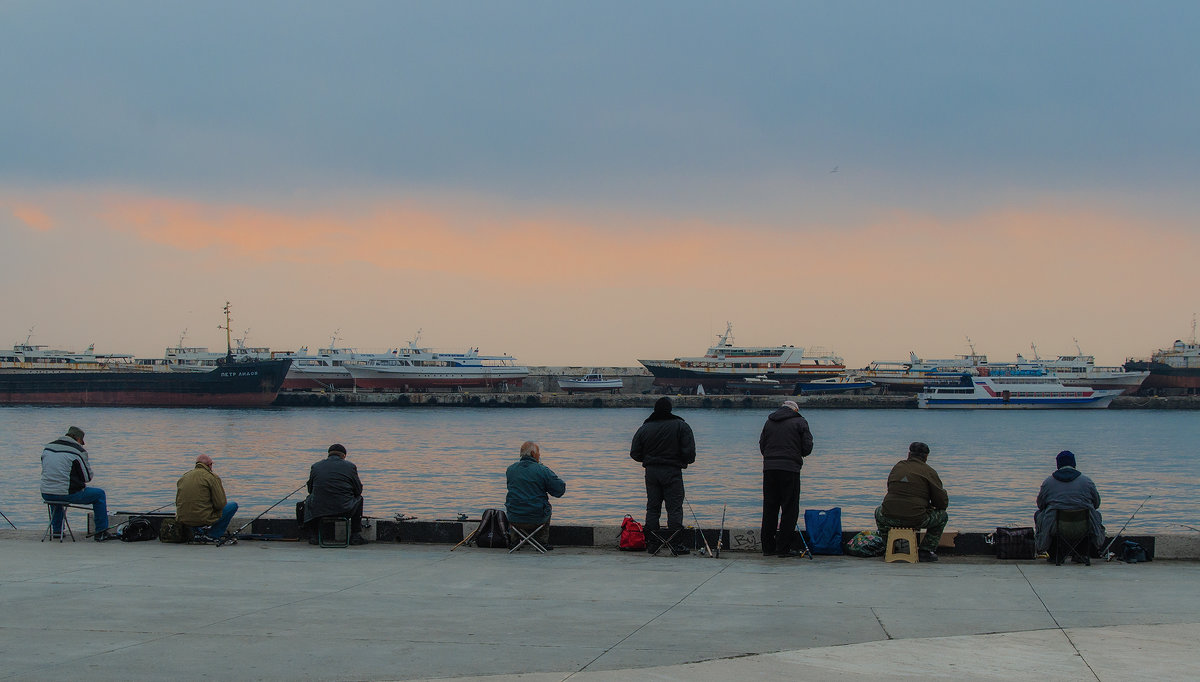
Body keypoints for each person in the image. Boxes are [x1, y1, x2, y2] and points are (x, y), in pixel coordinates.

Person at [630, 397, 696, 554]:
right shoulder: (681, 426)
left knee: (652, 507)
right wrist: (681, 460)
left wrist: (648, 460)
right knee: (674, 508)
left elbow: (634, 453)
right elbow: (690, 454)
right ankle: (676, 544)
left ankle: (652, 543)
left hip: (651, 473)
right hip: (672, 471)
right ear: (670, 409)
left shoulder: (644, 428)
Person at [874, 441, 948, 562]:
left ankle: (890, 547)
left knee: (878, 512)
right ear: (926, 456)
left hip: (889, 516)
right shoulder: (929, 472)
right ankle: (925, 551)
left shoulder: (898, 466)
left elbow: (891, 488)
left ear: (909, 454)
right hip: (916, 519)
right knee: (943, 516)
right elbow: (942, 503)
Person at [759, 399, 814, 557]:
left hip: (769, 469)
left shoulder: (769, 422)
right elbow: (807, 447)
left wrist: (771, 458)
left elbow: (762, 445)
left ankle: (768, 548)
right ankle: (783, 549)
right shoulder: (800, 422)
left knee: (770, 508)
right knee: (789, 509)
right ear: (795, 410)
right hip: (790, 469)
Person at [40, 426, 114, 541]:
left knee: (56, 493)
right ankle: (101, 532)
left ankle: (57, 531)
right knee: (99, 494)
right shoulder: (78, 451)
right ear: (78, 439)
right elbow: (87, 477)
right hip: (66, 494)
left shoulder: (48, 447)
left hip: (46, 493)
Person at [1034, 450, 1105, 556]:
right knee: (1095, 514)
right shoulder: (1087, 481)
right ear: (1074, 464)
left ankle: (1055, 554)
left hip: (1055, 527)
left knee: (1039, 514)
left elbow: (1040, 505)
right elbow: (1097, 504)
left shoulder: (1048, 482)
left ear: (1058, 465)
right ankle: (1081, 554)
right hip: (1084, 526)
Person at [300, 443, 367, 545]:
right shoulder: (351, 466)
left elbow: (310, 490)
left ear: (328, 454)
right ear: (343, 456)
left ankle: (314, 536)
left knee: (309, 499)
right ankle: (355, 535)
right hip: (344, 510)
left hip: (319, 510)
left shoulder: (316, 466)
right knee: (359, 498)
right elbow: (358, 491)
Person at [505, 441, 566, 550]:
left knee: (515, 502)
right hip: (536, 519)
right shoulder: (542, 470)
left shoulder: (510, 470)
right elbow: (559, 490)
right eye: (539, 453)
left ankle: (514, 542)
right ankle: (542, 542)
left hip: (513, 518)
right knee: (547, 507)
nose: (539, 456)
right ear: (533, 454)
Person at [175, 454, 238, 542]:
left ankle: (197, 532)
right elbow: (220, 504)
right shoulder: (212, 477)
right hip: (203, 518)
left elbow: (178, 501)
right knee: (232, 506)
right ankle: (213, 535)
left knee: (194, 510)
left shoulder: (183, 477)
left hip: (183, 518)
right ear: (209, 465)